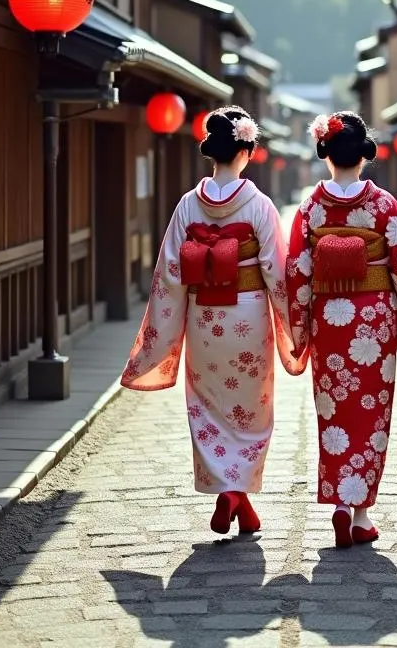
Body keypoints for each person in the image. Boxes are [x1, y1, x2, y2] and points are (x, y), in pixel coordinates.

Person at [120, 106, 307, 537]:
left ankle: (231, 493)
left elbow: (170, 273)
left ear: (212, 153)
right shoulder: (258, 204)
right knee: (251, 410)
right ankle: (236, 494)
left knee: (206, 405)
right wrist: (294, 325)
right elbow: (277, 272)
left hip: (205, 319)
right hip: (249, 318)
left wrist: (168, 330)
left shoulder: (188, 205)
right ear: (246, 150)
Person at [286, 112, 397, 549]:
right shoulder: (382, 204)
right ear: (364, 154)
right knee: (370, 413)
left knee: (335, 414)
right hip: (373, 320)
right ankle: (361, 511)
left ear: (324, 153)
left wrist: (301, 329)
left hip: (331, 319)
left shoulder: (312, 207)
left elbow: (297, 270)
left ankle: (340, 506)